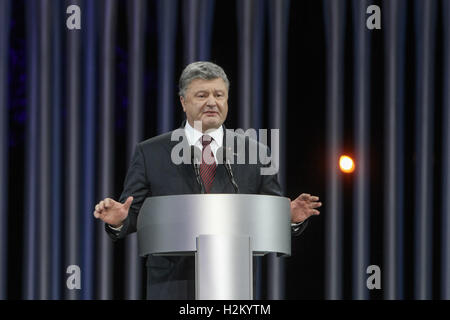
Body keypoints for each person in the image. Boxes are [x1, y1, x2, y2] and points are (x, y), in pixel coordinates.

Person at [93, 61, 322, 299]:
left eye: (219, 95)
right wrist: (120, 219)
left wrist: (289, 218)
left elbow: (272, 214)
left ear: (227, 101)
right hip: (171, 285)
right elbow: (134, 212)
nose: (212, 102)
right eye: (202, 95)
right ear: (183, 102)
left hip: (233, 284)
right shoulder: (150, 153)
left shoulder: (256, 153)